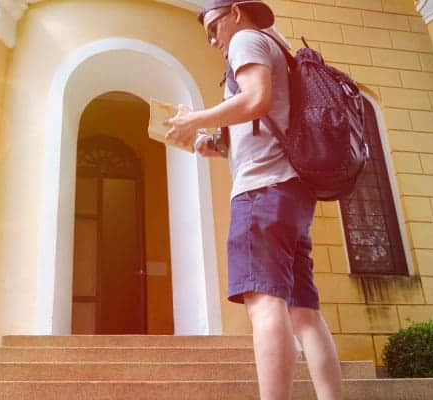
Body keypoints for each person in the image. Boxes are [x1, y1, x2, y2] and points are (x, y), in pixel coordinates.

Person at [164, 1, 342, 399]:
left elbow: (257, 99)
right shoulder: (276, 45)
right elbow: (260, 125)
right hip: (291, 192)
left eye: (213, 27)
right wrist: (201, 142)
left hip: (262, 192)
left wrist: (195, 117)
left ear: (237, 12)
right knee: (304, 313)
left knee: (264, 303)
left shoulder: (246, 38)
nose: (212, 40)